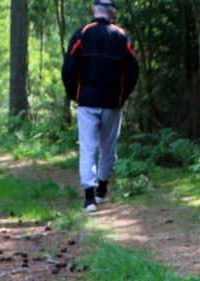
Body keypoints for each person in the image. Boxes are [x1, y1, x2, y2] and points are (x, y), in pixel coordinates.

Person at [62, 0, 139, 212]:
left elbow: (69, 68)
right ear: (112, 13)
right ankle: (101, 190)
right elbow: (133, 71)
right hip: (113, 102)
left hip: (87, 101)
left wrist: (74, 94)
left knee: (87, 147)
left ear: (94, 10)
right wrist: (122, 96)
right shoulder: (122, 36)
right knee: (108, 147)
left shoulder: (82, 33)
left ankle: (89, 199)